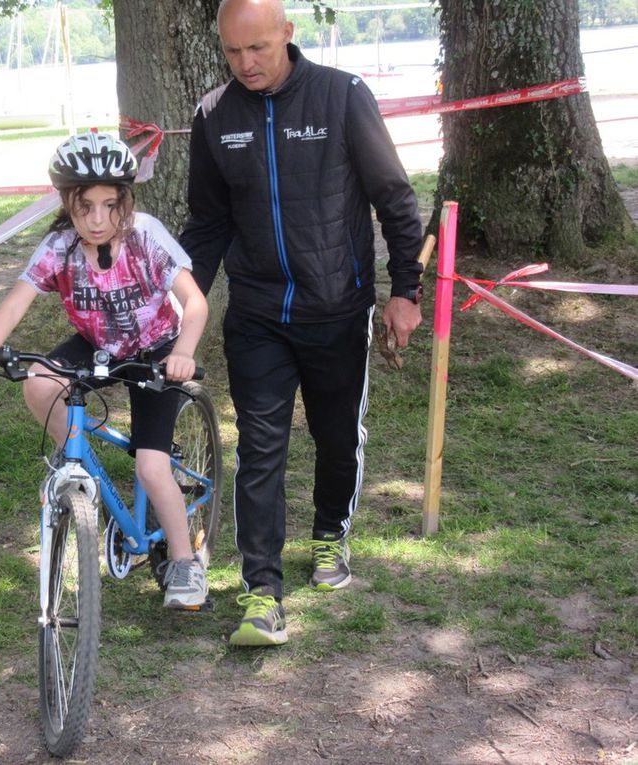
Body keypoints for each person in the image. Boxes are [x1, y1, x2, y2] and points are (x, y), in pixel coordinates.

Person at [179, 0, 424, 646]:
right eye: (233, 52)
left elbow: (394, 198)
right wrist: (182, 306)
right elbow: (206, 226)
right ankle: (260, 591)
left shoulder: (342, 96)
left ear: (288, 34)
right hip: (258, 314)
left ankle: (328, 534)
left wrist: (405, 289)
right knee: (260, 447)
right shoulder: (213, 115)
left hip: (337, 308)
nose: (246, 64)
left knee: (336, 433)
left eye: (258, 48)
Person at [0, 132, 211, 610]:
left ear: (126, 202)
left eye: (109, 205)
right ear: (66, 204)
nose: (97, 219)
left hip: (154, 349)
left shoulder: (146, 236)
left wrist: (183, 351)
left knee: (151, 466)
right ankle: (75, 460)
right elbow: (18, 298)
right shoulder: (60, 246)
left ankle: (184, 562)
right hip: (97, 344)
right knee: (37, 380)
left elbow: (194, 302)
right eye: (84, 206)